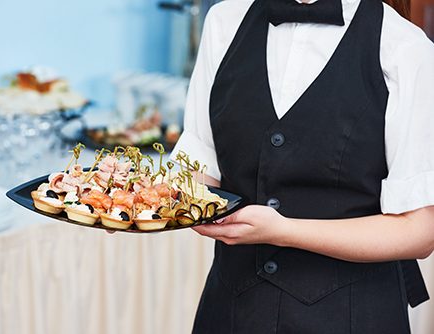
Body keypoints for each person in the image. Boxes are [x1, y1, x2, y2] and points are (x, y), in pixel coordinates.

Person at [170, 0, 434, 332]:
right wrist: (139, 202)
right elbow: (198, 161)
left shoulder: (406, 48)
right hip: (233, 312)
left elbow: (420, 232)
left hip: (352, 317)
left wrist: (284, 231)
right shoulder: (224, 21)